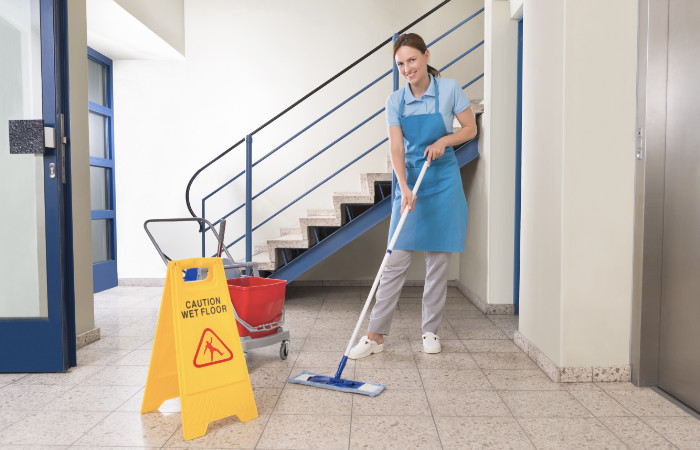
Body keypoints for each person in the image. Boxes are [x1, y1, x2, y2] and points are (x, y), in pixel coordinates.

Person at [348, 33, 477, 359]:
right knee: (394, 262)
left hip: (443, 182)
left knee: (437, 263)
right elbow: (395, 148)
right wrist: (403, 188)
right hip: (411, 184)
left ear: (426, 56)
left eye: (412, 60)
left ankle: (430, 331)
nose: (407, 68)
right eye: (401, 64)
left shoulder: (449, 89)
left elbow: (470, 129)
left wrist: (444, 141)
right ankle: (375, 336)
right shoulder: (396, 101)